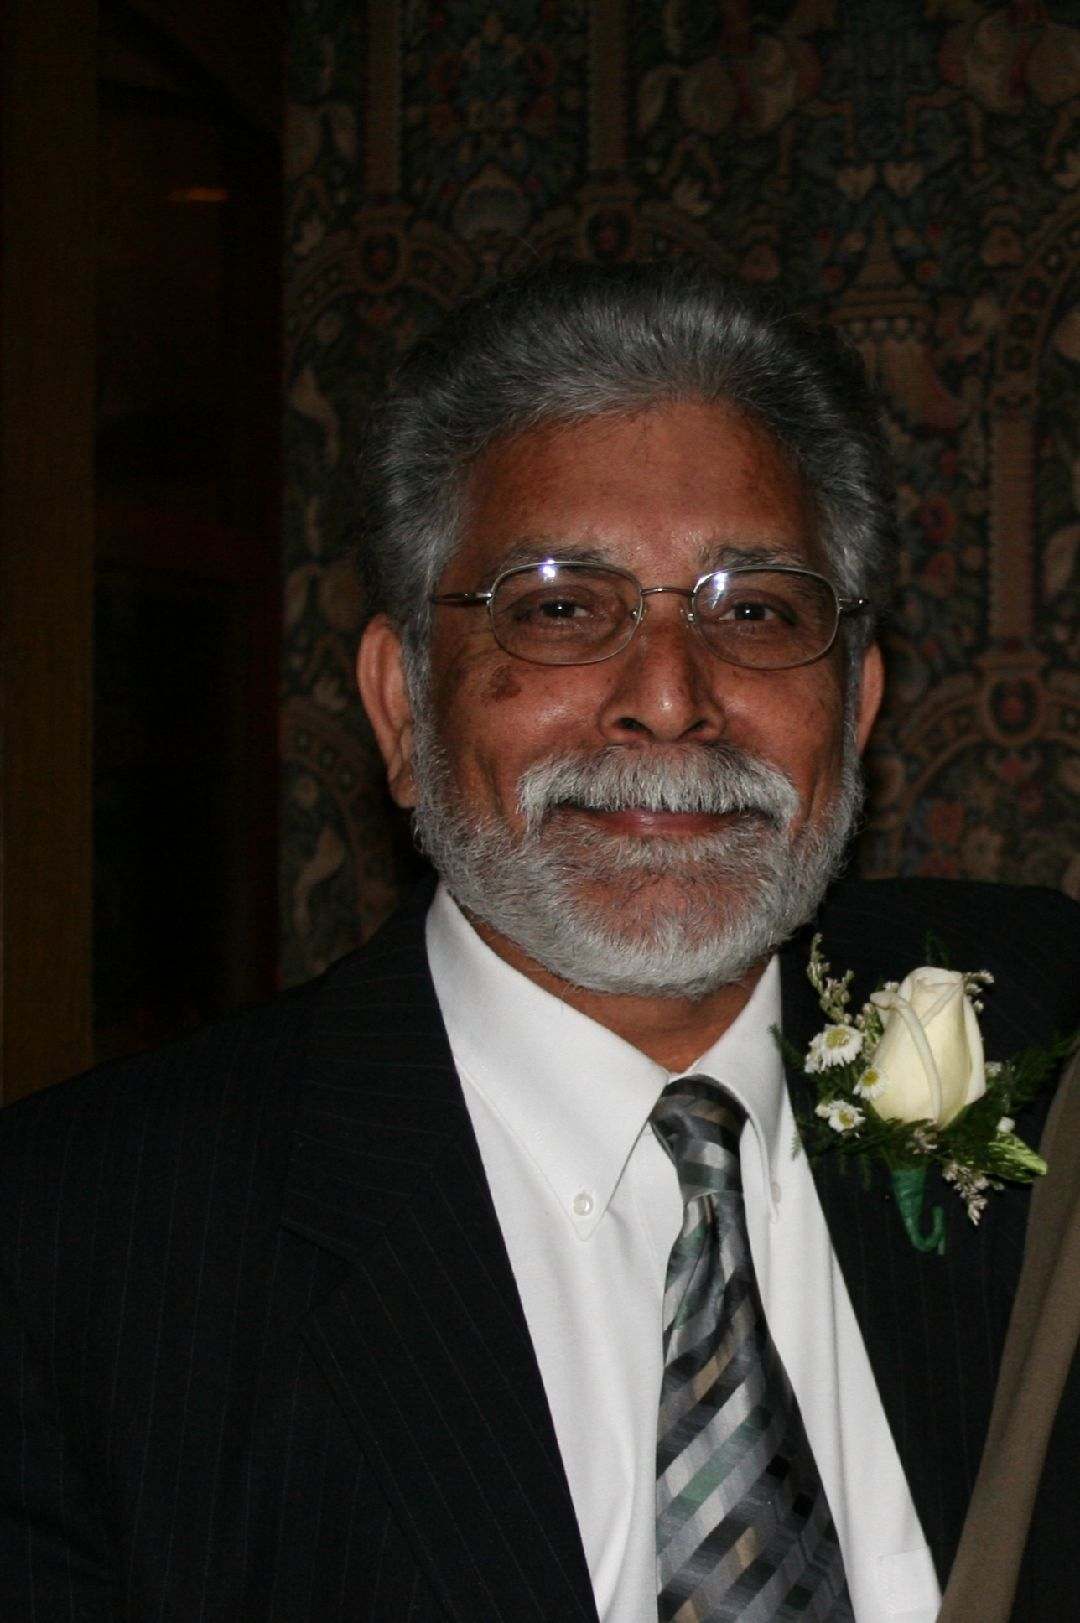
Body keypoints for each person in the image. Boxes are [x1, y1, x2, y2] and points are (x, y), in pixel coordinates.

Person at [0, 261, 1076, 1622]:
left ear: (855, 708)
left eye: (754, 610)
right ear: (404, 708)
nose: (671, 699)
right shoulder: (80, 1257)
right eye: (561, 607)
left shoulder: (1041, 1030)